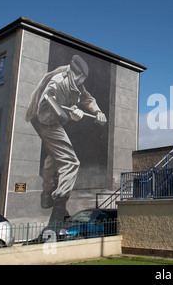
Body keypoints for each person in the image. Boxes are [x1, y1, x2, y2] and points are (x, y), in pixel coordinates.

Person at [26, 55, 107, 224]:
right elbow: (48, 104)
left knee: (55, 155)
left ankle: (47, 194)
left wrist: (97, 112)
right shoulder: (57, 82)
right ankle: (59, 208)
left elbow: (87, 98)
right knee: (70, 162)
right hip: (45, 120)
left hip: (50, 119)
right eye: (81, 79)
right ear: (77, 75)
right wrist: (70, 116)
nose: (81, 83)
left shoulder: (75, 82)